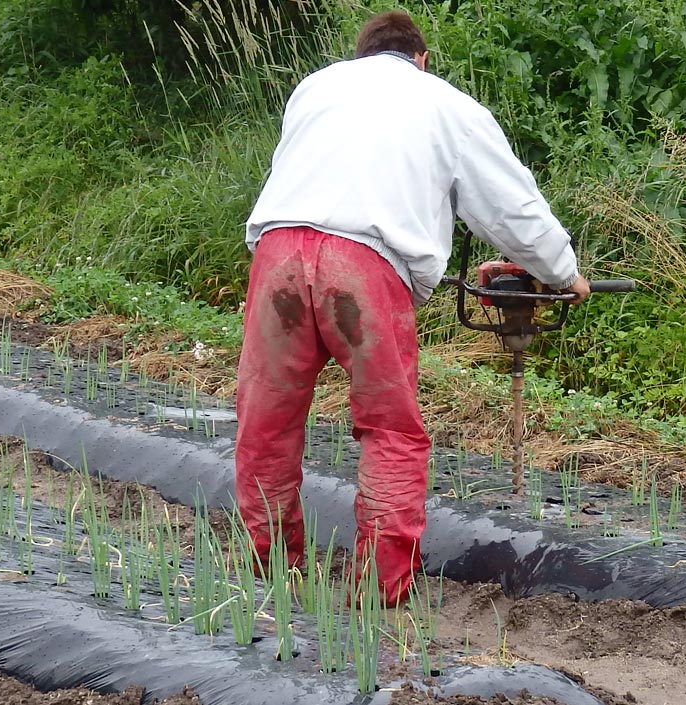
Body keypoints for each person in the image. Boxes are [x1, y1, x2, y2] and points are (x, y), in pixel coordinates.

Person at [235, 9, 590, 605]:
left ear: (361, 54)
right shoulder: (446, 105)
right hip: (365, 267)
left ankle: (270, 568)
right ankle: (380, 588)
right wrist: (562, 271)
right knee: (391, 430)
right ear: (421, 59)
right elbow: (511, 209)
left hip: (278, 255)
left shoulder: (315, 88)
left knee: (266, 422)